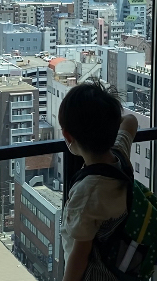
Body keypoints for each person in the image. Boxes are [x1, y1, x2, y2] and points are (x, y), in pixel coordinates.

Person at [59, 81, 139, 281]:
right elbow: (130, 120)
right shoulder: (120, 156)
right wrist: (107, 123)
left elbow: (79, 256)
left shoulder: (86, 194)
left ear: (68, 136)